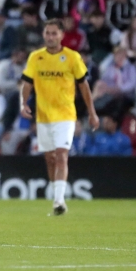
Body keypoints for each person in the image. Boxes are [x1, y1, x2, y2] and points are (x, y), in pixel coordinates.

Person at [19, 19, 98, 215]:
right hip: (44, 116)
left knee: (62, 154)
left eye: (54, 33)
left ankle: (59, 201)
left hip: (65, 114)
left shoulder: (72, 57)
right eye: (48, 33)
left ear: (62, 35)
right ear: (43, 35)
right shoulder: (35, 57)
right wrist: (23, 102)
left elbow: (83, 85)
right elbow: (27, 82)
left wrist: (92, 112)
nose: (51, 37)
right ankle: (57, 196)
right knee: (50, 158)